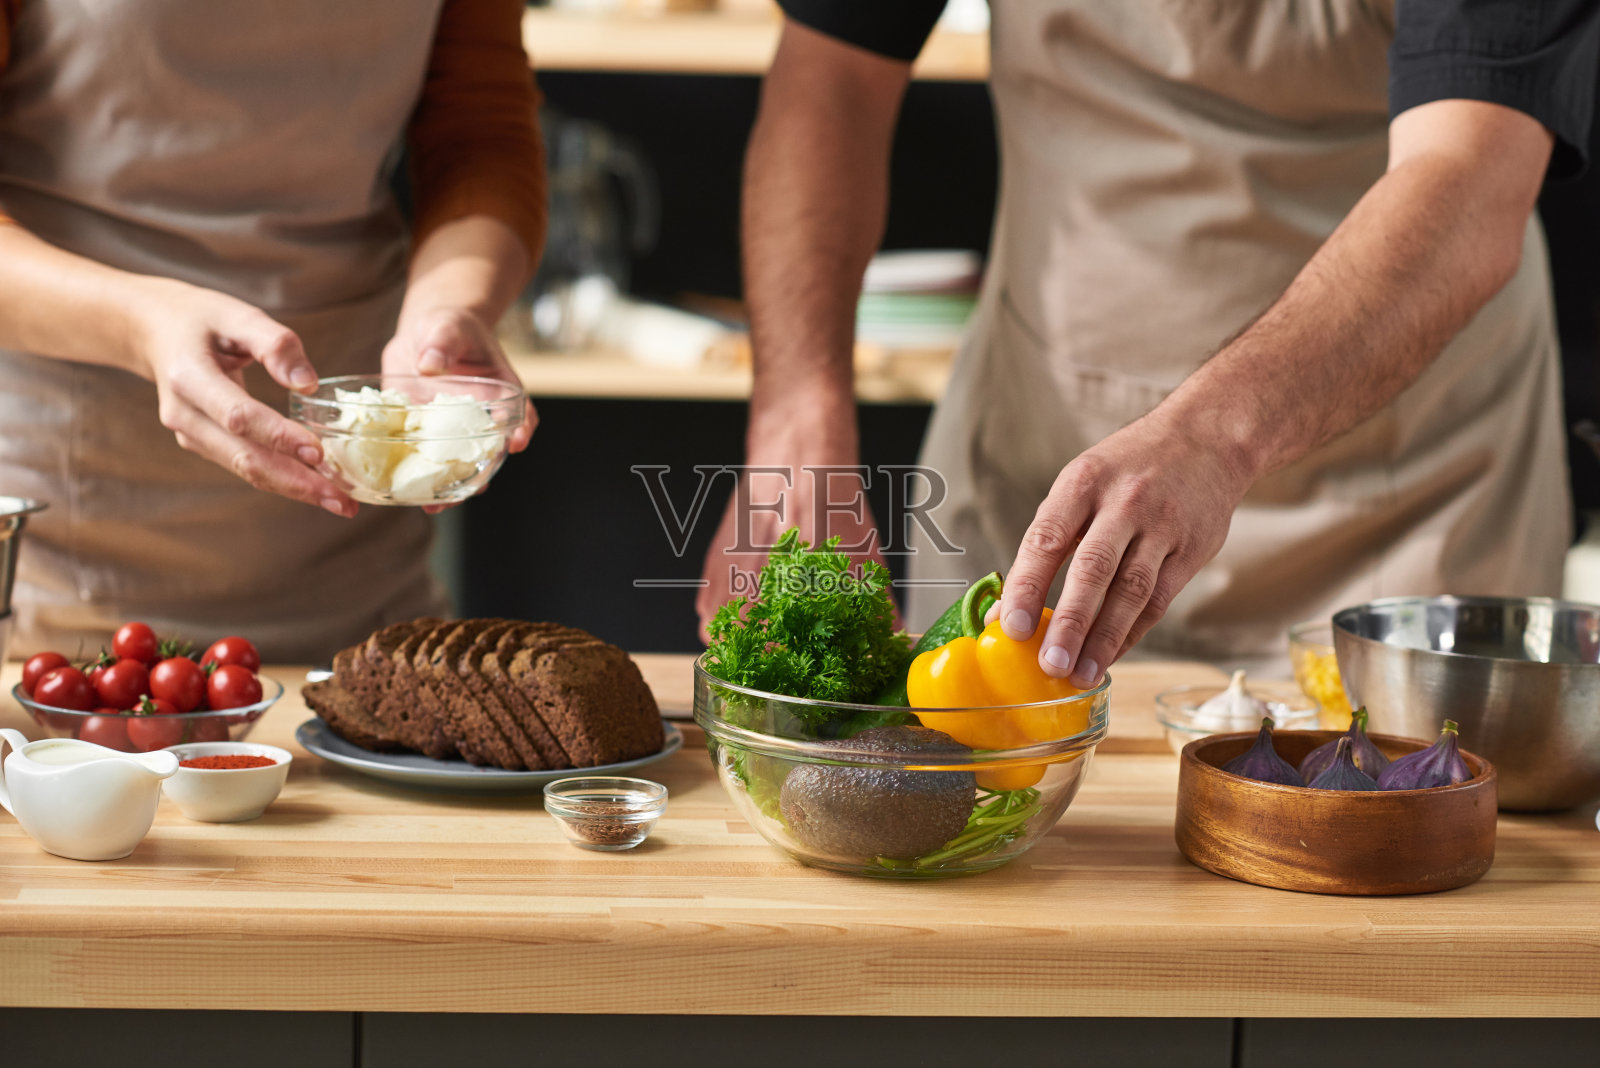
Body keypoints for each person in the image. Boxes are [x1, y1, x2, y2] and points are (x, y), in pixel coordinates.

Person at [699, 0, 1600, 682]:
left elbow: (1471, 177)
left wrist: (1209, 438)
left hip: (1409, 506)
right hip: (1037, 464)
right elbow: (832, 75)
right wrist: (797, 419)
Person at [0, 0, 544, 661]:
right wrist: (138, 325)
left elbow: (479, 135)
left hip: (359, 557)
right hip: (69, 536)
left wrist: (452, 306)